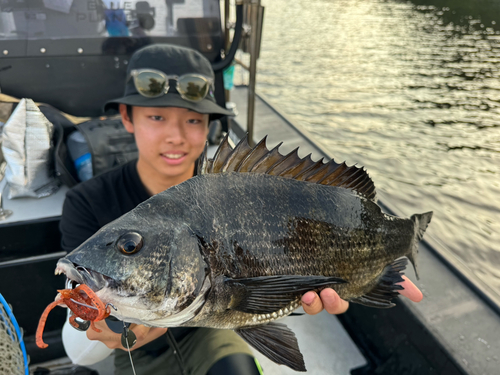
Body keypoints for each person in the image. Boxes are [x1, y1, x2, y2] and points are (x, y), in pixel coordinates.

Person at [59, 43, 423, 375]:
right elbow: (83, 347)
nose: (176, 136)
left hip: (214, 330)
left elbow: (256, 301)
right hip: (137, 347)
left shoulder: (226, 187)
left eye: (193, 120)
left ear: (207, 127)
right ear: (126, 117)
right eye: (157, 117)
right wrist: (109, 327)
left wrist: (367, 271)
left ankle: (408, 237)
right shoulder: (85, 203)